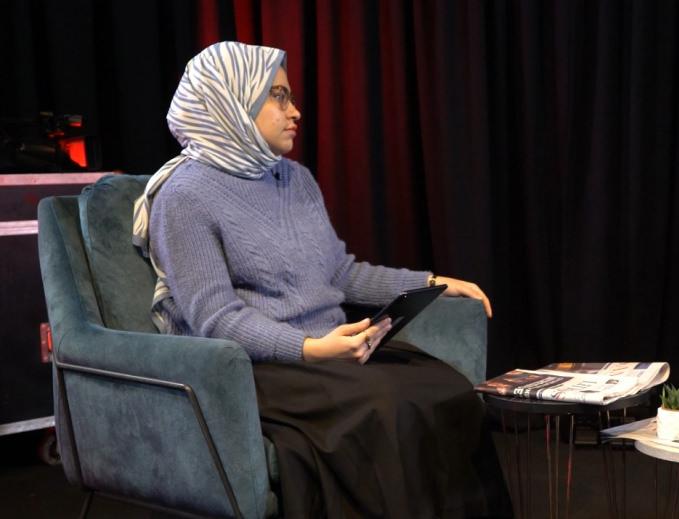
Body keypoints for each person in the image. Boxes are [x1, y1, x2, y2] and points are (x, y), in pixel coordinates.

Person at [132, 41, 510, 518]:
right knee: (386, 404)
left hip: (328, 353)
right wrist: (310, 349)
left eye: (289, 96)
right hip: (257, 368)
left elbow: (340, 273)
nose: (295, 111)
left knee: (446, 388)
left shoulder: (295, 179)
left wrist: (431, 282)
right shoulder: (185, 196)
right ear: (232, 101)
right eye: (278, 96)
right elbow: (216, 319)